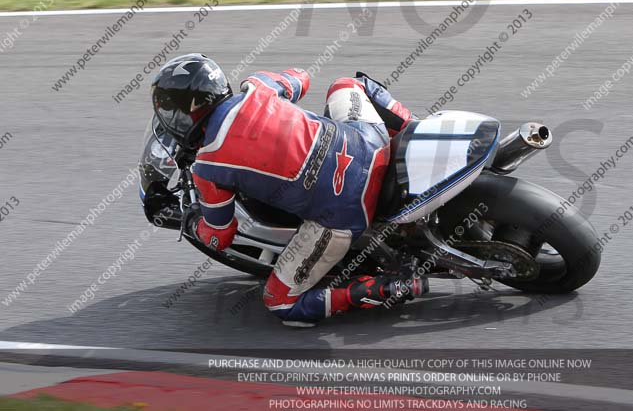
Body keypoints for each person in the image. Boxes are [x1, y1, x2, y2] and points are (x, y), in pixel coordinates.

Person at [151, 53, 428, 327]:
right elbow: (301, 77)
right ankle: (416, 128)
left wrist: (190, 219)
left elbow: (218, 237)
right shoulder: (258, 86)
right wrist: (279, 90)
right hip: (370, 142)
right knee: (346, 84)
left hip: (347, 212)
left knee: (280, 301)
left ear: (187, 112)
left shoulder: (207, 166)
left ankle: (379, 290)